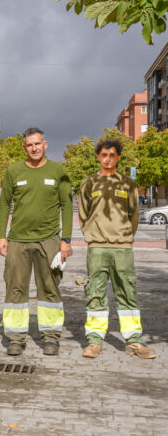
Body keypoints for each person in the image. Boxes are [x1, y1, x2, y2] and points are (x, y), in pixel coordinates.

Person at [0, 127, 72, 356]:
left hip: (48, 240)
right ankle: (16, 338)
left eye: (37, 144)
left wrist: (66, 240)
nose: (34, 148)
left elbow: (67, 206)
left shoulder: (58, 170)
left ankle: (50, 337)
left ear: (45, 144)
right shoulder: (13, 171)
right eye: (29, 145)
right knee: (15, 290)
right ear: (24, 148)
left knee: (49, 289)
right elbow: (4, 204)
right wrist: (1, 236)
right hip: (17, 241)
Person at [78, 138, 156, 359]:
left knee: (127, 292)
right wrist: (91, 235)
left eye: (112, 155)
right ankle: (94, 341)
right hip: (97, 249)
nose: (108, 159)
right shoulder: (89, 183)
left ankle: (134, 341)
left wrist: (127, 238)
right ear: (98, 157)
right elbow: (83, 215)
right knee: (95, 294)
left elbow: (133, 215)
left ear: (118, 157)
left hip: (122, 248)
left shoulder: (127, 184)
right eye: (104, 155)